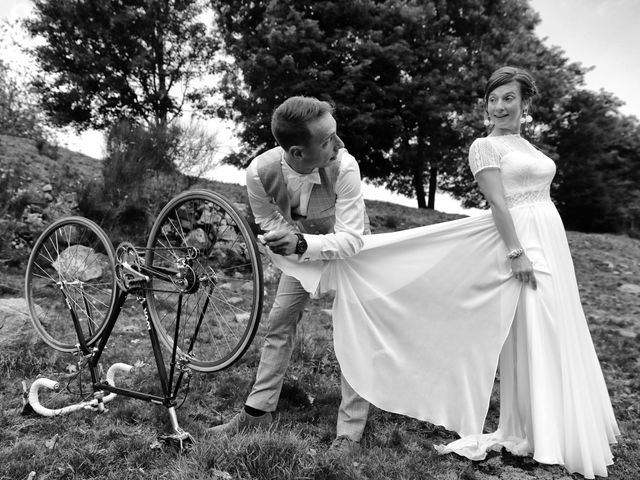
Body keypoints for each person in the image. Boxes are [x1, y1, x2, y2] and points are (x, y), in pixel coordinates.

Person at [269, 67, 619, 478]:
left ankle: (559, 424)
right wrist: (517, 251)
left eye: (508, 98)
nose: (499, 106)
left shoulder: (527, 145)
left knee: (556, 325)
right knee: (537, 327)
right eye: (493, 99)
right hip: (521, 240)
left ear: (526, 103)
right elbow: (498, 205)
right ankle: (534, 429)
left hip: (550, 235)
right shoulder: (483, 148)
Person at [209, 95, 372, 456]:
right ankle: (257, 412)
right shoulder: (257, 172)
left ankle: (350, 431)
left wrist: (300, 243)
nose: (338, 143)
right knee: (278, 323)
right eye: (327, 139)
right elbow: (266, 219)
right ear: (297, 152)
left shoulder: (345, 166)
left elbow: (352, 239)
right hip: (300, 255)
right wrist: (281, 238)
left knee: (353, 331)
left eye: (335, 133)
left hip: (349, 252)